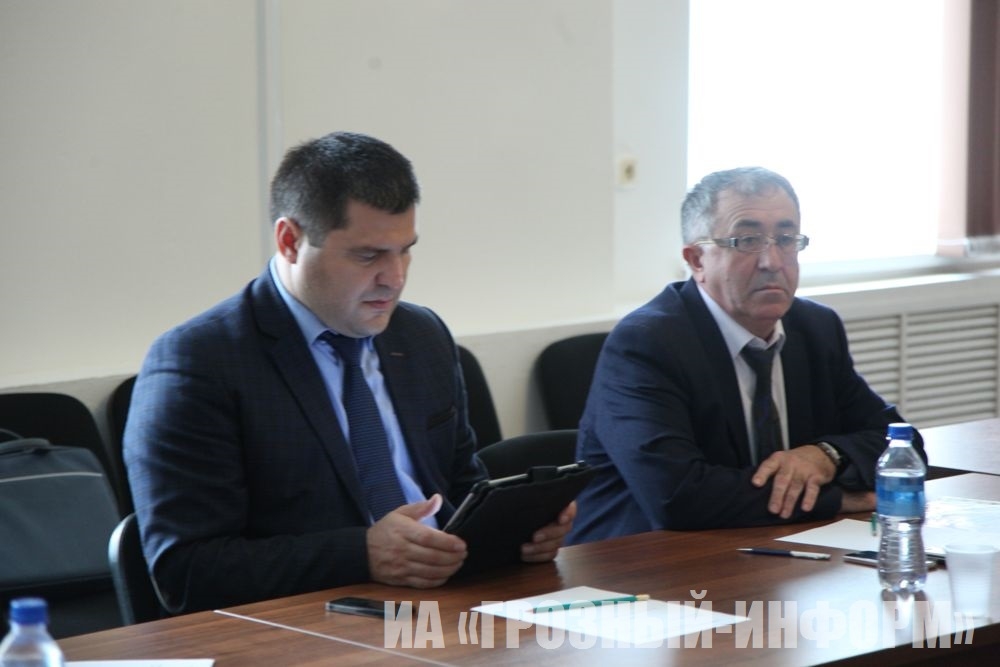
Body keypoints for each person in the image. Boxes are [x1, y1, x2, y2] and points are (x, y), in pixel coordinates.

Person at [124, 131, 575, 614]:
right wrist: (361, 554)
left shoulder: (420, 335)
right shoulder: (198, 363)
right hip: (311, 625)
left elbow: (461, 485)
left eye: (405, 250)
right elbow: (187, 572)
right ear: (290, 241)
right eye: (368, 255)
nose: (395, 278)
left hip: (448, 605)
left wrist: (514, 533)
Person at [568, 166, 924, 543]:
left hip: (774, 548)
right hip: (641, 559)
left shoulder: (815, 328)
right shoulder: (648, 343)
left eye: (786, 239)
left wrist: (826, 454)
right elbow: (677, 495)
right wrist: (835, 500)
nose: (772, 261)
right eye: (747, 241)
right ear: (697, 260)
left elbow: (901, 444)